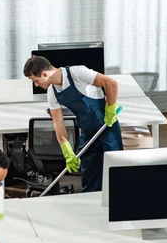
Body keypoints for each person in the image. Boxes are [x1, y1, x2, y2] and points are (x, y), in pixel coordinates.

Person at [23, 55, 123, 192]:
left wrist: (111, 109)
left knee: (115, 171)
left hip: (107, 127)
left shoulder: (78, 73)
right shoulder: (52, 92)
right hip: (87, 132)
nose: (36, 85)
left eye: (35, 80)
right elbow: (58, 123)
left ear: (44, 74)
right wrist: (66, 150)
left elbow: (111, 83)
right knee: (89, 176)